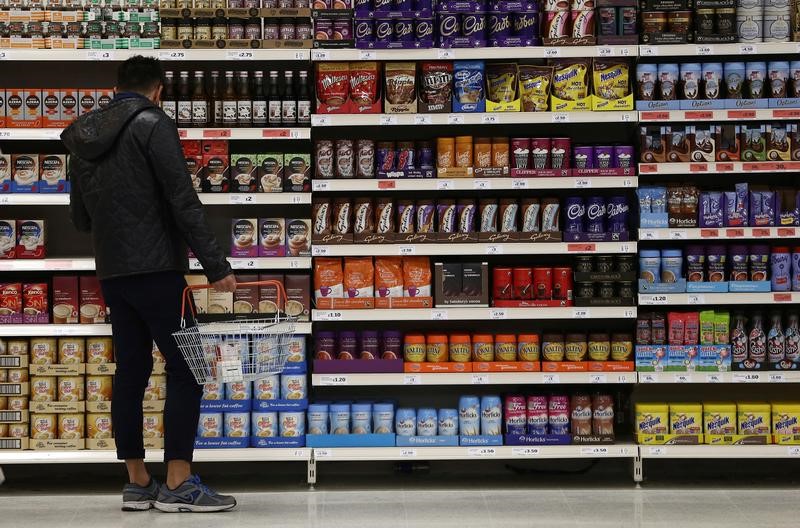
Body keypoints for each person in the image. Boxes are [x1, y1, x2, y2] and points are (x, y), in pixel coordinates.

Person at [62, 56, 237, 513]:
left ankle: (138, 482)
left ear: (116, 87)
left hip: (113, 273)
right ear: (158, 89)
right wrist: (216, 266)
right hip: (159, 270)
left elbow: (80, 218)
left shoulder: (82, 133)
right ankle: (178, 482)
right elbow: (183, 199)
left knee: (132, 373)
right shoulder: (152, 123)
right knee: (189, 368)